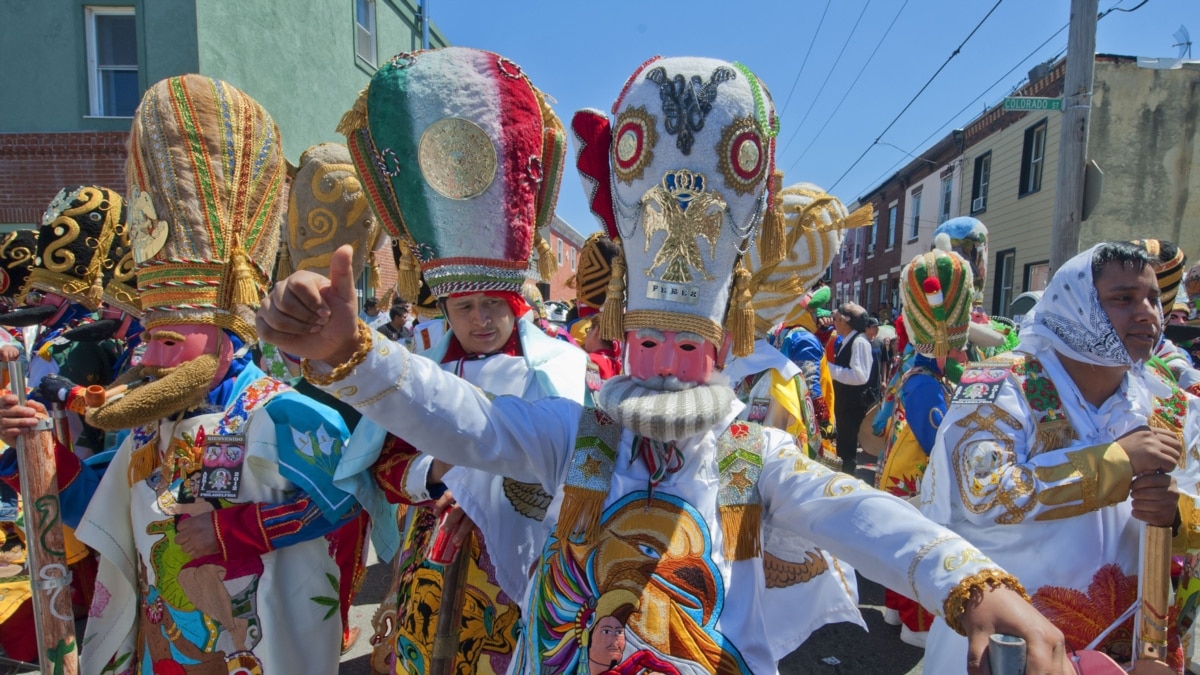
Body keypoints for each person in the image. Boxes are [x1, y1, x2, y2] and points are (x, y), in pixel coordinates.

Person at [260, 55, 1071, 675]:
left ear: (721, 351)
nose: (668, 370)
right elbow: (463, 420)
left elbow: (865, 516)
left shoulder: (755, 461)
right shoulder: (575, 436)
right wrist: (353, 355)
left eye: (688, 350)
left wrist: (972, 582)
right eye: (651, 346)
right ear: (621, 342)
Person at [2, 75, 362, 674]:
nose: (148, 358)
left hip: (258, 648)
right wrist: (26, 446)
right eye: (147, 339)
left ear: (223, 333)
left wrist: (241, 531)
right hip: (168, 647)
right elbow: (95, 509)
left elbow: (348, 501)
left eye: (168, 342)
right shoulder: (148, 431)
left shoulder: (284, 412)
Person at [330, 46, 587, 675]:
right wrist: (437, 470)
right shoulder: (424, 368)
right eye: (463, 307)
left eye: (489, 305)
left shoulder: (559, 367)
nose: (477, 319)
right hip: (432, 554)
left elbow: (581, 470)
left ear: (515, 304)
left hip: (519, 566)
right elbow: (386, 463)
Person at [920, 241, 1199, 672]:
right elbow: (983, 493)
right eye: (1123, 299)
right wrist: (1116, 462)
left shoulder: (1165, 399)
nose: (1148, 313)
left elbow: (1192, 511)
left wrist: (1173, 515)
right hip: (1014, 640)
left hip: (1133, 647)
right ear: (1076, 303)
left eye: (1152, 299)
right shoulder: (1001, 383)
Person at [875, 248, 976, 648]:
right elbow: (938, 441)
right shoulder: (924, 381)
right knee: (918, 552)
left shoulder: (915, 370)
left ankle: (897, 613)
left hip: (905, 466)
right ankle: (914, 625)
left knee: (906, 552)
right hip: (916, 475)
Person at [828, 301, 877, 475]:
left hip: (852, 405)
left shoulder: (859, 342)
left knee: (847, 450)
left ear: (846, 321)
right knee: (843, 447)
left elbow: (860, 376)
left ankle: (846, 484)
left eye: (838, 319)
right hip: (845, 404)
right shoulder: (849, 340)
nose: (835, 322)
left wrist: (830, 369)